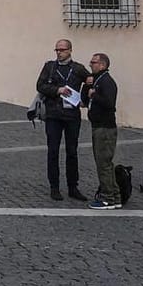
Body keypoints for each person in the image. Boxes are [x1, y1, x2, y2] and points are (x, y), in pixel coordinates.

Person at [35, 38, 89, 201]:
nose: (59, 53)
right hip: (53, 115)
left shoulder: (78, 69)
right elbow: (40, 86)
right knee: (53, 151)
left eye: (62, 50)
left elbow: (90, 82)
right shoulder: (49, 67)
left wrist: (84, 99)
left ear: (70, 51)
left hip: (72, 116)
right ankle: (54, 187)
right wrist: (57, 90)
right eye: (57, 50)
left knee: (72, 152)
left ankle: (73, 186)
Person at [83, 52, 120, 209]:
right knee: (105, 163)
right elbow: (84, 101)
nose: (90, 64)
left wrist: (94, 95)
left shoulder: (107, 82)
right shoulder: (97, 81)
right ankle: (115, 195)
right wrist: (87, 87)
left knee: (103, 163)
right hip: (98, 126)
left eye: (94, 62)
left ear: (103, 65)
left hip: (105, 128)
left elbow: (110, 104)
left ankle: (107, 198)